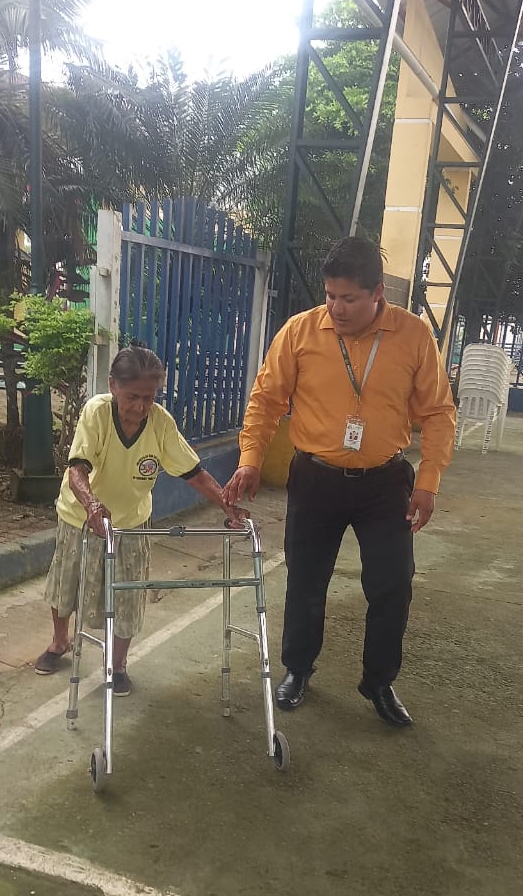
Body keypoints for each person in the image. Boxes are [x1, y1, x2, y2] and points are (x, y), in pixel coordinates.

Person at [223, 237, 456, 728]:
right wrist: (250, 459)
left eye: (349, 298)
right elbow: (266, 399)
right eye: (330, 295)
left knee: (393, 583)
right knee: (306, 579)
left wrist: (429, 481)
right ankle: (298, 669)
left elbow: (438, 412)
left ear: (377, 293)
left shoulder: (413, 337)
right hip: (315, 479)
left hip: (385, 483)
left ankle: (379, 682)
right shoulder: (300, 332)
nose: (337, 307)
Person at [35, 345, 247, 695]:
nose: (140, 407)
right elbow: (77, 469)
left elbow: (193, 473)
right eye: (132, 397)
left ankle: (118, 664)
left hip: (131, 521)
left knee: (129, 595)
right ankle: (60, 642)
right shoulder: (97, 412)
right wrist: (91, 504)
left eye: (149, 398)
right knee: (66, 584)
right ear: (113, 386)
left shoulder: (160, 423)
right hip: (80, 516)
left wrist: (226, 504)